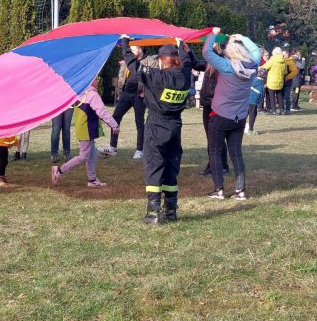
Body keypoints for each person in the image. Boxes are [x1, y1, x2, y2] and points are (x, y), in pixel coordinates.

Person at [121, 37, 191, 223]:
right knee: (171, 167)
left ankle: (153, 212)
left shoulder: (156, 76)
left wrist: (125, 45)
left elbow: (133, 66)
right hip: (175, 127)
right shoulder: (185, 76)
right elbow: (187, 61)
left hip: (156, 126)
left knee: (154, 166)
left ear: (161, 59)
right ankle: (171, 211)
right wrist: (181, 46)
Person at [204, 28, 261, 201]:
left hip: (220, 115)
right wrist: (243, 37)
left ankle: (219, 190)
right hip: (240, 117)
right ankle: (240, 191)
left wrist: (212, 33)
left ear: (229, 52)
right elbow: (256, 51)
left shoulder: (227, 66)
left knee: (214, 151)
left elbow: (207, 52)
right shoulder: (254, 65)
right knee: (236, 153)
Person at [51, 77, 118, 188]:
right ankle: (59, 170)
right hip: (87, 129)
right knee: (84, 157)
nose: (98, 81)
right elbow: (102, 112)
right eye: (96, 79)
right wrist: (114, 125)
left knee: (92, 155)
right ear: (91, 80)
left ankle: (92, 180)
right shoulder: (92, 95)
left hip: (84, 128)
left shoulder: (81, 92)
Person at [97, 46, 147, 160]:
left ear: (140, 51)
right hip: (126, 94)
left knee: (139, 122)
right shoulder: (129, 62)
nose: (131, 52)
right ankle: (113, 148)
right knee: (115, 118)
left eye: (134, 49)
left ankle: (140, 150)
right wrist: (120, 92)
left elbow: (150, 78)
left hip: (139, 96)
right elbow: (122, 76)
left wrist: (146, 91)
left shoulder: (146, 62)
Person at [196, 44, 229, 176]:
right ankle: (214, 164)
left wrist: (214, 47)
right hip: (207, 104)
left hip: (217, 105)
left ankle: (221, 165)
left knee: (216, 137)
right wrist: (185, 50)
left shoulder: (223, 65)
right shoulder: (208, 64)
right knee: (211, 137)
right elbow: (194, 63)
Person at [259, 47, 286, 115]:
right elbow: (285, 72)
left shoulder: (272, 60)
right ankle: (281, 109)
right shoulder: (284, 61)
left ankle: (273, 110)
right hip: (280, 80)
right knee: (279, 95)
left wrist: (257, 67)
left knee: (272, 96)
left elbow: (264, 67)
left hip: (272, 80)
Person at [282, 49, 298, 115]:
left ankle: (287, 109)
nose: (282, 55)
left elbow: (295, 72)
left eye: (283, 54)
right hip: (281, 81)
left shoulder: (290, 62)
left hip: (287, 82)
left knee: (287, 96)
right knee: (281, 96)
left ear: (286, 54)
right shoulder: (282, 61)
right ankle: (282, 108)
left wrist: (286, 78)